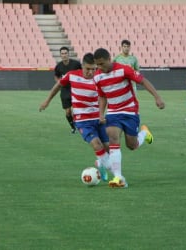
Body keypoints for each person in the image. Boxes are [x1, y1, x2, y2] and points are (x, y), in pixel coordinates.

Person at [93, 48, 165, 188]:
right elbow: (102, 96)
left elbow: (143, 81)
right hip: (113, 112)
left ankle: (144, 133)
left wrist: (157, 97)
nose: (99, 67)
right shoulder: (97, 77)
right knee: (113, 138)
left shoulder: (124, 70)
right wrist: (101, 113)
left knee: (132, 145)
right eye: (97, 65)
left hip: (130, 110)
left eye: (102, 64)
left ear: (109, 59)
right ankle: (118, 178)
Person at [40, 53, 109, 181]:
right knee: (97, 145)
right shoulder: (72, 76)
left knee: (107, 149)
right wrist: (47, 101)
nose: (90, 72)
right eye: (88, 68)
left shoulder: (100, 77)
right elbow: (58, 86)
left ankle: (101, 164)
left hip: (99, 118)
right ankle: (114, 172)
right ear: (82, 66)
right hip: (82, 120)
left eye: (93, 69)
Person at [54, 46, 82, 133]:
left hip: (75, 89)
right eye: (62, 54)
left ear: (68, 54)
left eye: (65, 53)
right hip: (65, 90)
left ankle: (79, 125)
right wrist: (59, 82)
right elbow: (56, 76)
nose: (64, 55)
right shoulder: (58, 66)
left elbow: (82, 72)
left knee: (77, 109)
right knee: (68, 112)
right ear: (60, 55)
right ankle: (73, 127)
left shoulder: (76, 64)